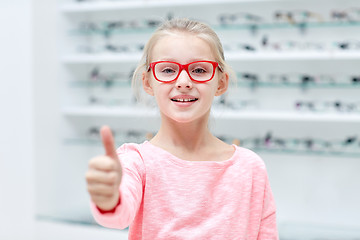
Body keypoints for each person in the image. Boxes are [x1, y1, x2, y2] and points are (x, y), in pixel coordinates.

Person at [86, 18, 278, 240]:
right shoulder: (135, 162)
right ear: (148, 82)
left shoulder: (250, 168)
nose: (184, 81)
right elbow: (117, 215)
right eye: (168, 70)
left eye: (198, 70)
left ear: (221, 83)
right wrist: (109, 199)